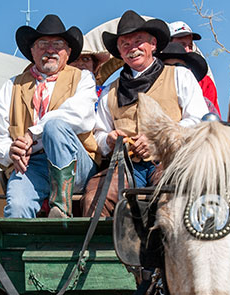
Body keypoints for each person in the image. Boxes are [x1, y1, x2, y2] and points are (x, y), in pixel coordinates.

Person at [82, 10, 209, 217]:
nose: (132, 48)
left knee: (176, 193)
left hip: (171, 161)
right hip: (127, 166)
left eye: (138, 41)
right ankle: (103, 238)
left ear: (153, 44)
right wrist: (109, 140)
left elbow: (198, 122)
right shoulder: (109, 92)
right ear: (120, 52)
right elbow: (99, 134)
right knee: (96, 197)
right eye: (125, 44)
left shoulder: (180, 76)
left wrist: (159, 139)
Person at [0, 14, 99, 218]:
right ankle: (19, 238)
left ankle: (60, 208)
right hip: (32, 164)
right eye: (43, 44)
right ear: (32, 51)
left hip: (76, 163)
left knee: (55, 126)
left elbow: (80, 116)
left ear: (68, 52)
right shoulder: (12, 86)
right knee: (17, 207)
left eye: (58, 44)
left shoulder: (82, 78)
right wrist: (11, 151)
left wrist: (32, 134)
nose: (50, 50)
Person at [167, 21, 221, 118]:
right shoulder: (155, 75)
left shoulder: (205, 82)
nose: (187, 50)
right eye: (182, 45)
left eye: (190, 46)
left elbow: (213, 118)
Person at [154, 41, 218, 117]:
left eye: (179, 66)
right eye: (168, 66)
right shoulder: (150, 97)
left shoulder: (205, 104)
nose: (174, 70)